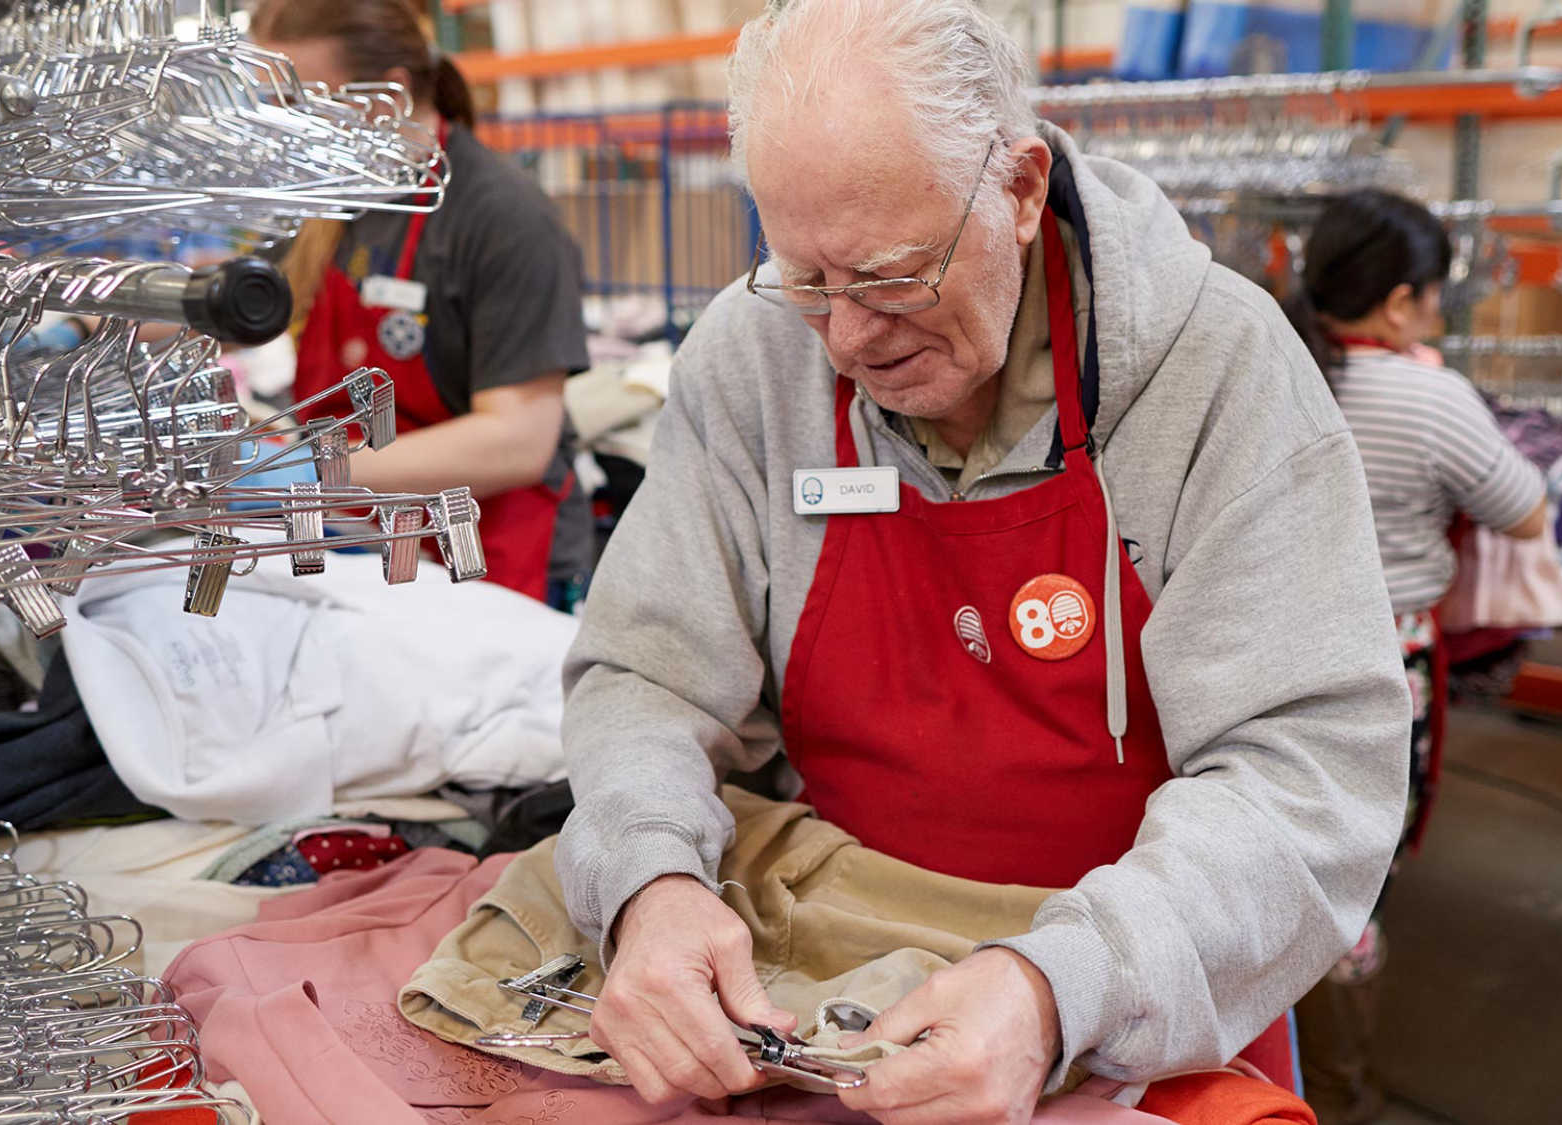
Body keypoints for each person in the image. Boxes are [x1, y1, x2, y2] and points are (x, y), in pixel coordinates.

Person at [555, 2, 1412, 1122]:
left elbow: (1303, 778)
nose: (849, 337)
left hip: (1144, 1000)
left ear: (1015, 189)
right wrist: (650, 884)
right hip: (835, 970)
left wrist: (1060, 987)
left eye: (889, 277)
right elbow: (646, 678)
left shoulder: (1219, 372)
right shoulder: (751, 358)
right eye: (805, 281)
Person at [1279, 188, 1548, 1123]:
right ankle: (1339, 1084)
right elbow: (1528, 510)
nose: (1438, 314)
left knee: (1265, 846)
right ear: (1400, 303)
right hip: (1376, 668)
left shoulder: (1269, 365)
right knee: (1356, 876)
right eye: (1434, 296)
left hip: (1262, 646)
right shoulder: (1433, 398)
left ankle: (1251, 1063)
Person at [250, 0, 594, 607]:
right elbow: (239, 302)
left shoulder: (501, 218)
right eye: (272, 107)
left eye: (303, 103)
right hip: (358, 540)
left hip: (486, 558)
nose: (285, 128)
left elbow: (518, 439)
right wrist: (96, 310)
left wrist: (315, 471)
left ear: (388, 96)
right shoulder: (329, 198)